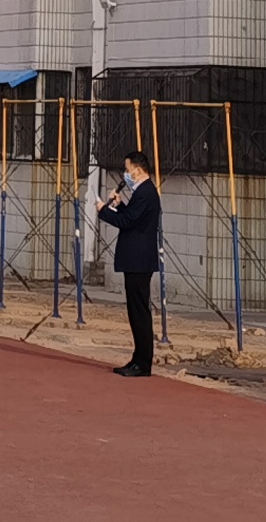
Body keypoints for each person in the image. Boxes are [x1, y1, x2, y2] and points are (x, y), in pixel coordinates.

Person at [97, 148, 161, 378]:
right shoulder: (142, 193)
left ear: (138, 169)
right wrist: (120, 204)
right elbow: (132, 217)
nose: (126, 174)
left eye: (127, 169)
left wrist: (104, 211)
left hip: (139, 260)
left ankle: (143, 363)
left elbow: (127, 222)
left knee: (139, 311)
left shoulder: (146, 192)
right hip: (136, 259)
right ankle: (138, 358)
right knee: (135, 311)